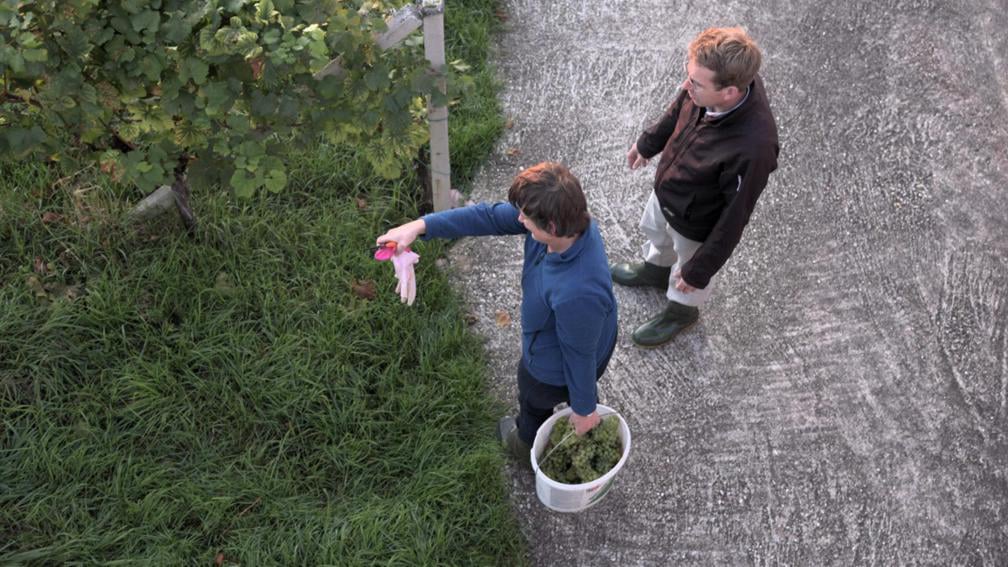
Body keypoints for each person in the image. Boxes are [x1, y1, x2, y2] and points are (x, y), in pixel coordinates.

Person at [376, 162, 618, 467]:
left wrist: (585, 408)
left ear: (551, 227)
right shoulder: (570, 222)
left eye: (525, 218)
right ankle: (570, 410)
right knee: (574, 390)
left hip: (550, 367)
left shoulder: (578, 291)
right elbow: (488, 216)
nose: (518, 219)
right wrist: (419, 227)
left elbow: (579, 353)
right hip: (587, 335)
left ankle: (524, 446)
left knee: (533, 403)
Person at [611, 26, 779, 348]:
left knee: (688, 275)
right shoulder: (703, 87)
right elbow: (678, 108)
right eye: (689, 77)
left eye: (695, 83)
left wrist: (698, 270)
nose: (686, 86)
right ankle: (655, 271)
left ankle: (681, 311)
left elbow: (735, 217)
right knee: (656, 234)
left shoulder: (754, 147)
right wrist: (648, 144)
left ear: (729, 92)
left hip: (696, 223)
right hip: (668, 192)